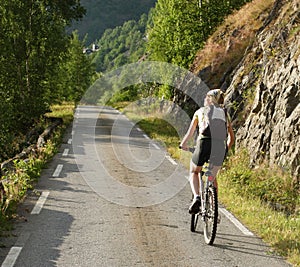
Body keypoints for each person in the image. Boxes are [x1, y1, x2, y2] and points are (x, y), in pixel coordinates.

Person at [179, 89, 234, 214]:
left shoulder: (200, 111)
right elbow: (231, 138)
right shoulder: (225, 114)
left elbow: (190, 132)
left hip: (204, 143)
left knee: (194, 171)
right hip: (220, 146)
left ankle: (197, 197)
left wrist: (183, 144)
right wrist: (225, 149)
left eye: (206, 97)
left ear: (209, 99)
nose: (204, 99)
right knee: (212, 176)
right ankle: (214, 209)